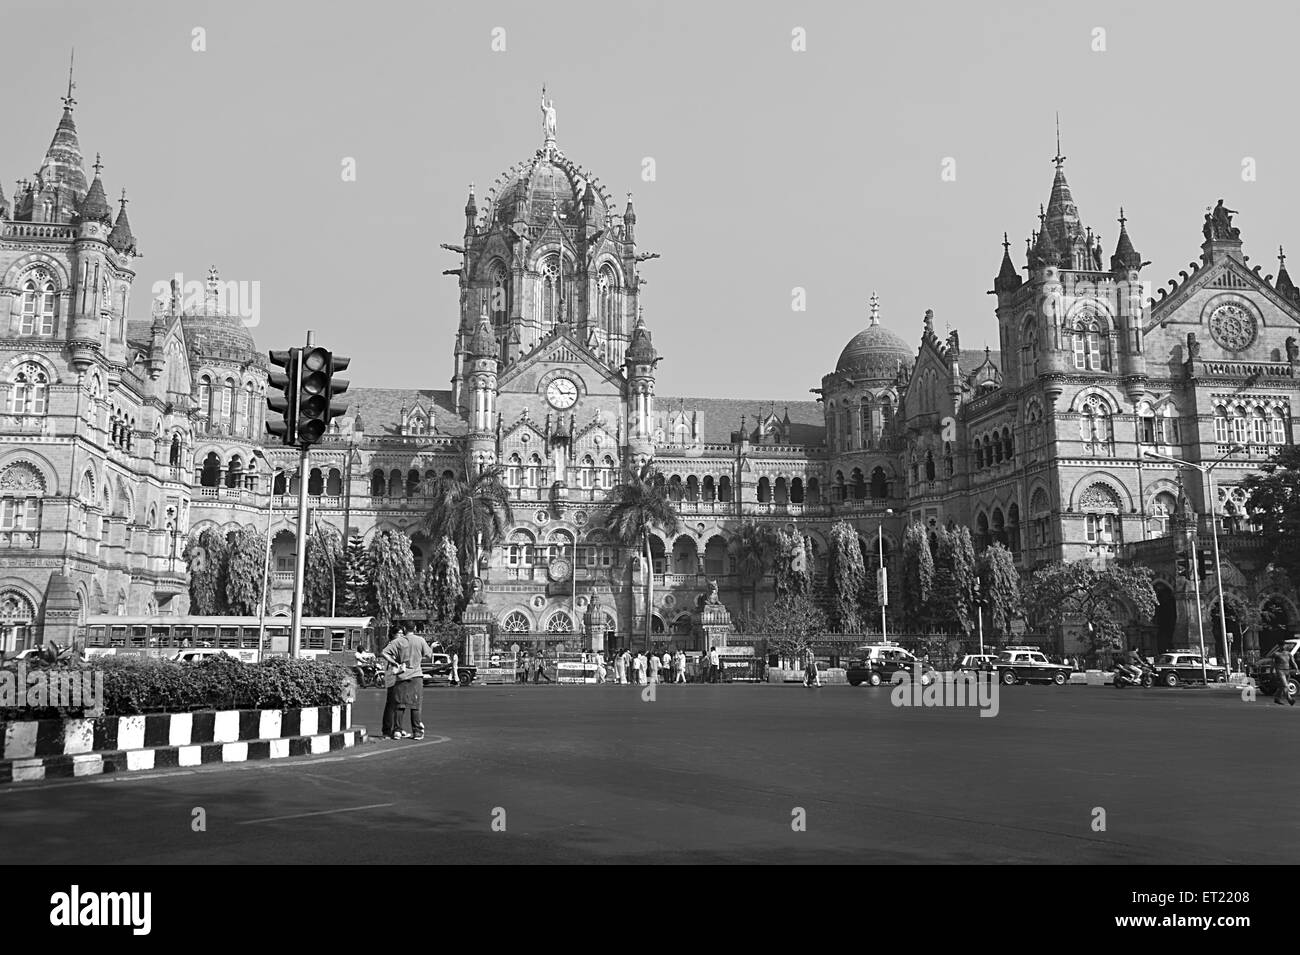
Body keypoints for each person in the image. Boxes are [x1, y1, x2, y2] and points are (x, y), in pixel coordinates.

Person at [380, 628, 434, 740]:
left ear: (404, 630)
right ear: (414, 628)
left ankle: (397, 730)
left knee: (399, 704)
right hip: (415, 675)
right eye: (397, 633)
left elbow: (384, 652)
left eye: (401, 632)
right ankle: (417, 731)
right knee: (415, 705)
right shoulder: (420, 640)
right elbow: (429, 655)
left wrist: (395, 662)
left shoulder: (397, 642)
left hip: (400, 676)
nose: (400, 634)